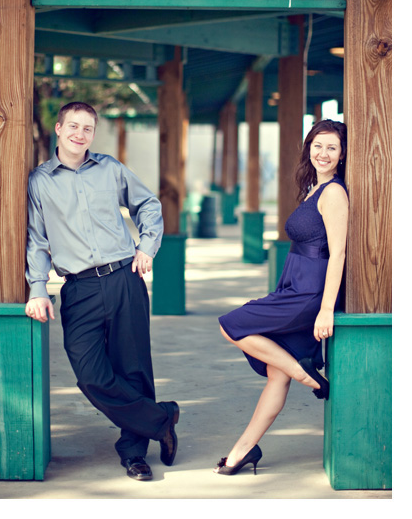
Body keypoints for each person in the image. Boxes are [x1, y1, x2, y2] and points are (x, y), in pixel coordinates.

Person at [25, 101, 179, 482]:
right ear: (58, 129)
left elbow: (148, 205)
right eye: (73, 126)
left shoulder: (110, 169)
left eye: (88, 128)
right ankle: (161, 420)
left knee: (133, 368)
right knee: (90, 373)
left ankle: (134, 454)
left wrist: (147, 246)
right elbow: (36, 239)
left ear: (93, 133)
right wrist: (37, 287)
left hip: (124, 278)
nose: (80, 134)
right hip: (78, 288)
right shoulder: (40, 181)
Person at [215, 119, 348, 476]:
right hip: (294, 284)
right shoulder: (312, 189)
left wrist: (325, 310)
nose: (323, 153)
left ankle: (309, 378)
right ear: (308, 148)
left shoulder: (334, 192)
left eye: (332, 147)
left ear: (342, 154)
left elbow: (337, 254)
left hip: (310, 291)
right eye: (318, 145)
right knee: (277, 373)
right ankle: (243, 451)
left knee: (232, 325)